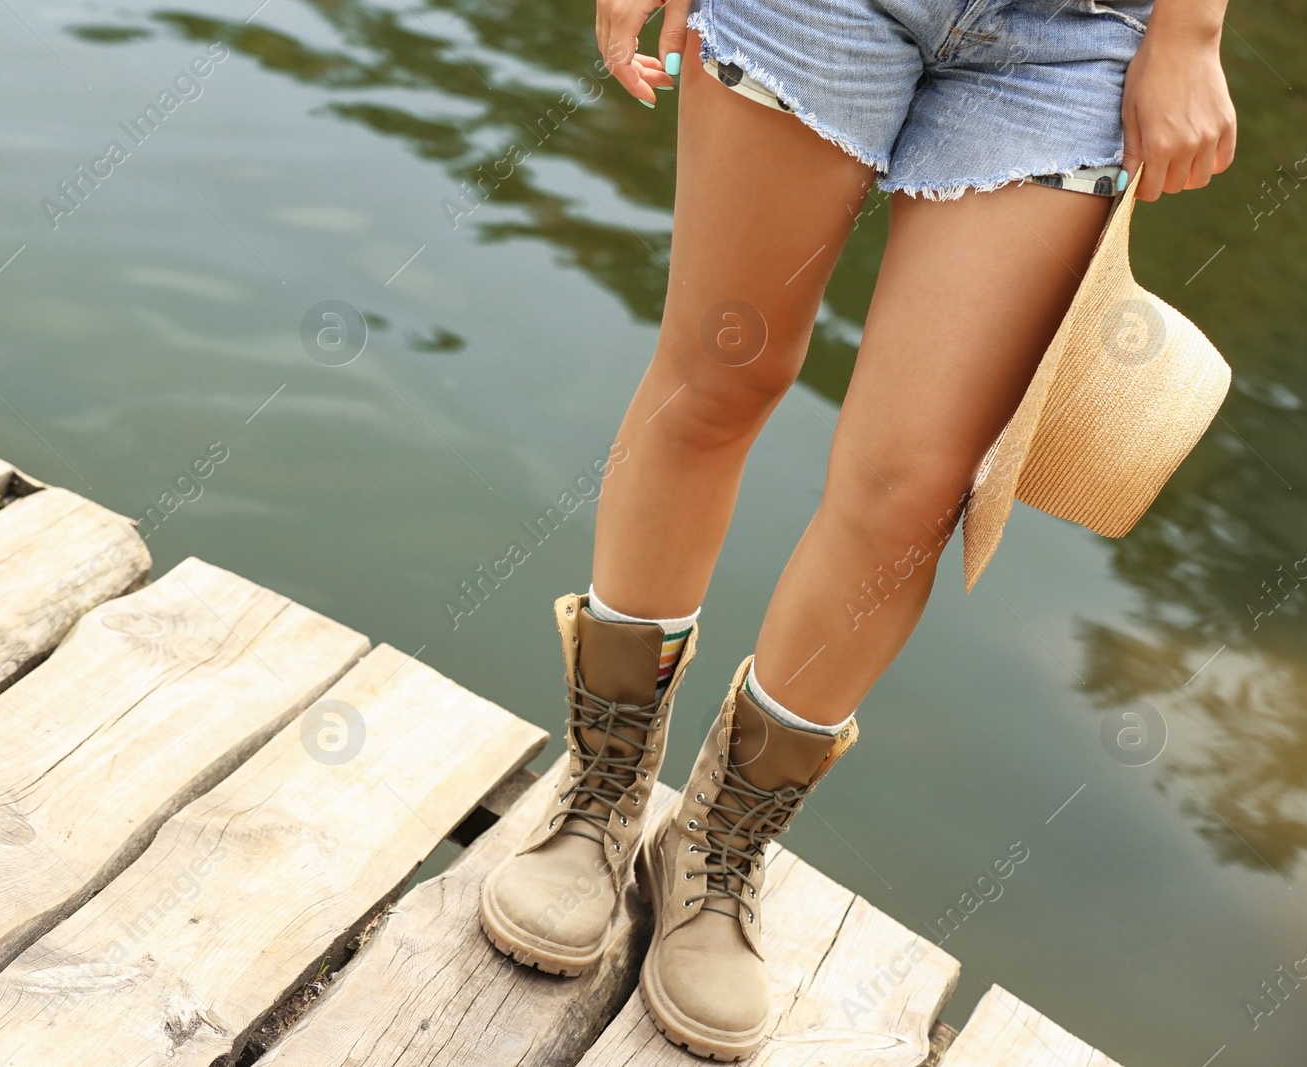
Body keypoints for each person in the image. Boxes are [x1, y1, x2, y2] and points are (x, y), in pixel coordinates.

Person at [479, 0, 1235, 1058]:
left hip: (1073, 38)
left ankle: (714, 846)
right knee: (716, 376)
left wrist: (1191, 31)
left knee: (912, 494)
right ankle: (602, 786)